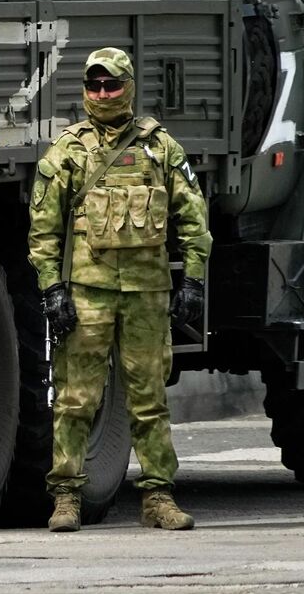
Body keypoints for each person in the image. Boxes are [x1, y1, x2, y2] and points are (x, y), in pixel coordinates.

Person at [27, 47, 211, 532]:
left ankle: (158, 497)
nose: (103, 93)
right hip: (87, 292)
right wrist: (52, 290)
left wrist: (192, 278)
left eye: (111, 84)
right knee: (74, 398)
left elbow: (192, 217)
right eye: (94, 85)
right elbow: (43, 231)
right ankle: (66, 497)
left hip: (147, 293)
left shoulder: (159, 147)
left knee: (148, 398)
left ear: (128, 86)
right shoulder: (68, 150)